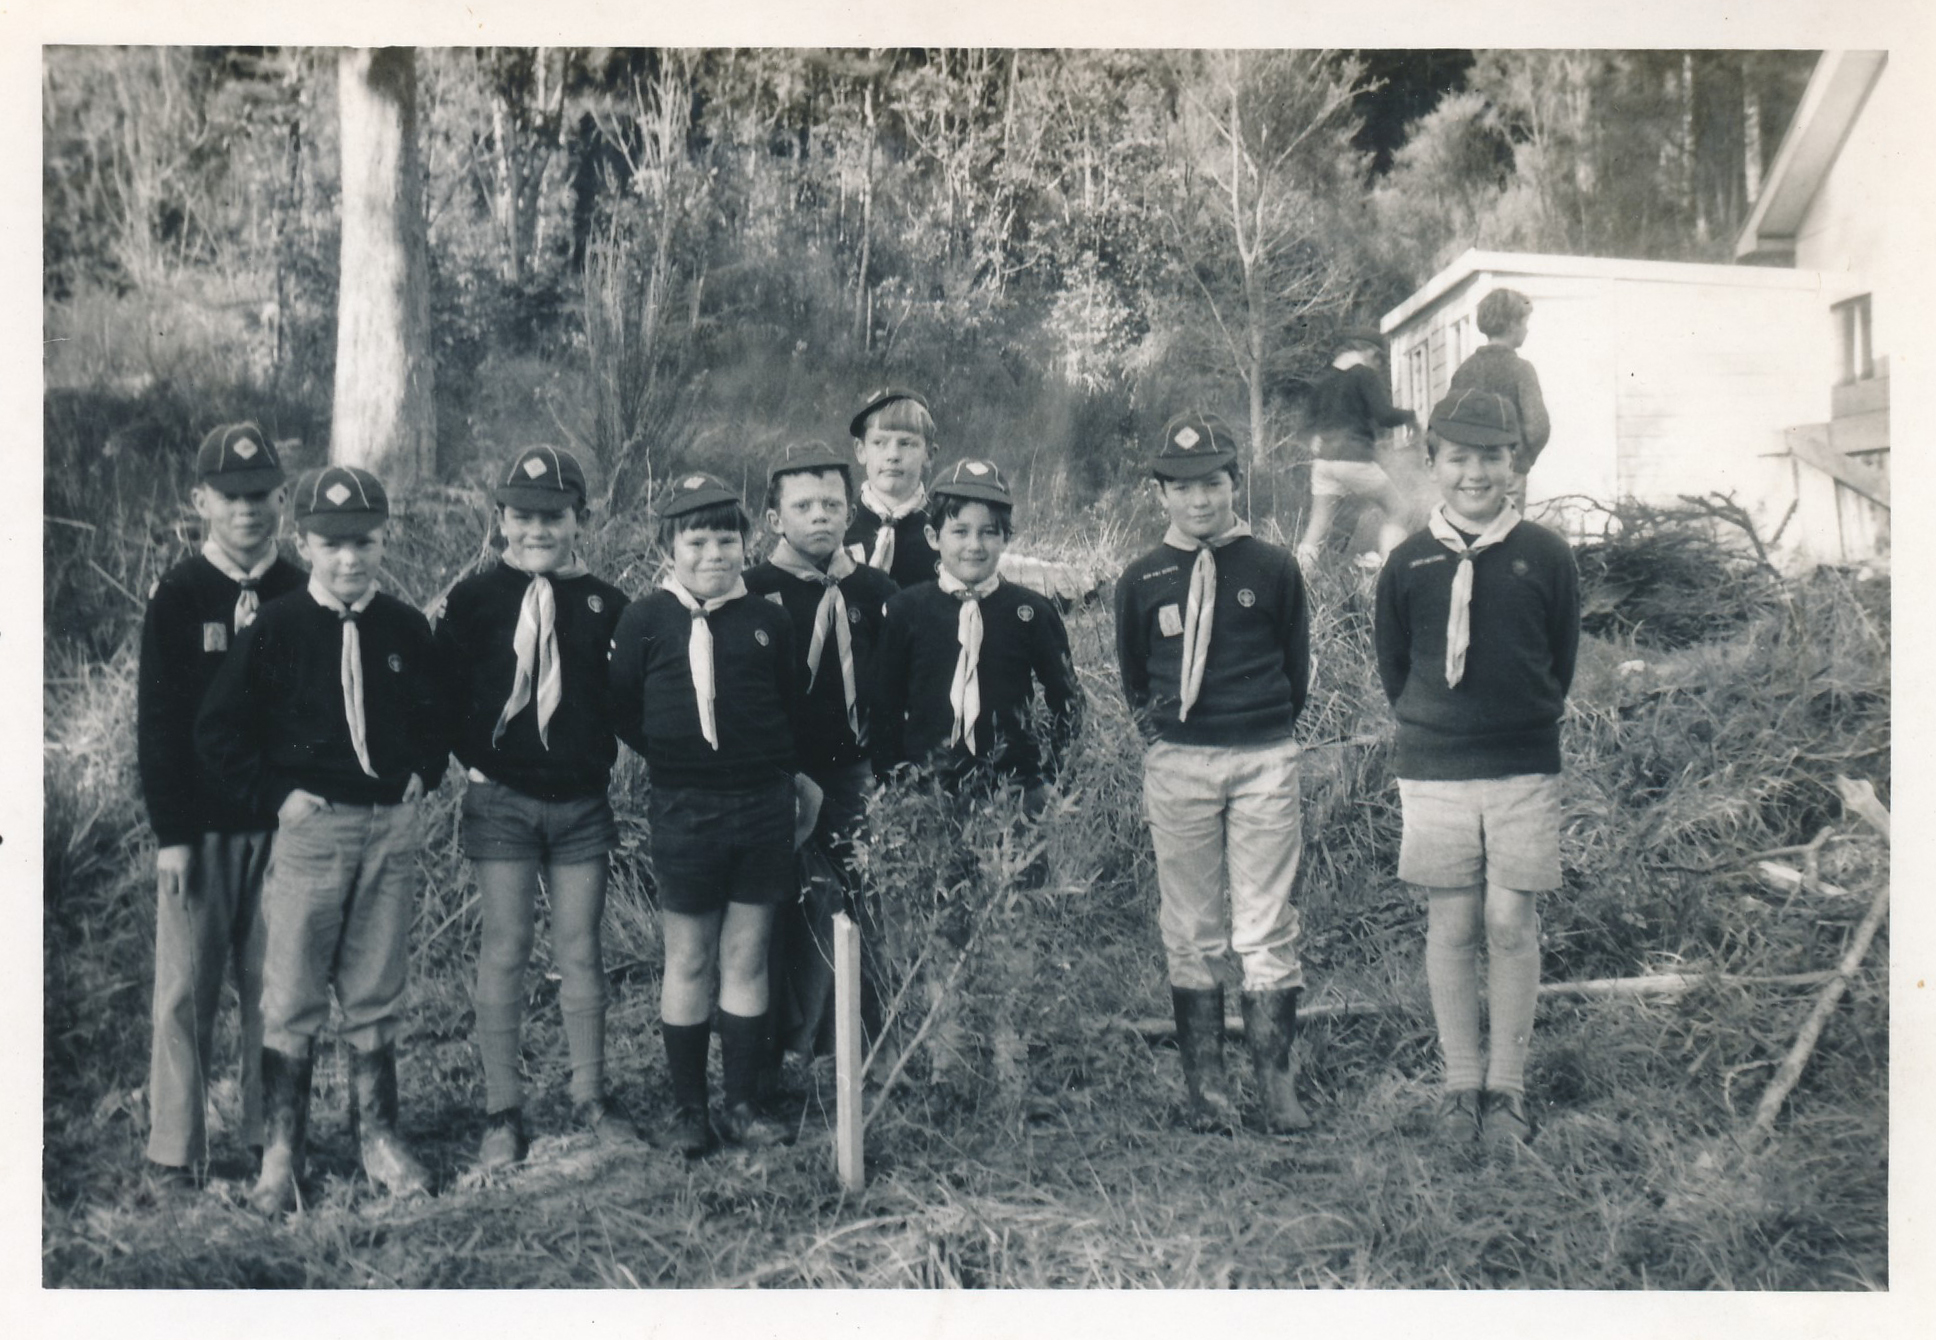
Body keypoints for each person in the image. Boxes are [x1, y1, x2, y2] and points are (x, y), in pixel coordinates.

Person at [197, 465, 453, 1214]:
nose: (350, 560)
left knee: (375, 986)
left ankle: (379, 1136)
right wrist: (277, 798)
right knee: (293, 991)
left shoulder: (405, 627)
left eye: (365, 542)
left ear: (384, 540)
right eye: (332, 545)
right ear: (303, 542)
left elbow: (439, 711)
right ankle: (283, 1152)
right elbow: (219, 730)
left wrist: (423, 774)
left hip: (387, 830)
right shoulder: (275, 627)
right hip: (312, 833)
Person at [1373, 388, 1579, 1147]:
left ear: (1515, 464)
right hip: (1434, 766)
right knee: (1454, 922)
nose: (1475, 473)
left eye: (1492, 457)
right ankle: (1463, 1085)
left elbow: (1560, 657)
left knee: (1509, 920)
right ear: (1433, 464)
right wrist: (1437, 721)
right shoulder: (1409, 563)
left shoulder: (1547, 555)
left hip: (1524, 764)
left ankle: (1508, 1091)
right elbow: (1395, 667)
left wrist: (1522, 716)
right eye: (1458, 458)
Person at [433, 446, 639, 1170]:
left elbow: (629, 705)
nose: (537, 529)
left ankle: (590, 1096)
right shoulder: (474, 599)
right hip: (503, 805)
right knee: (506, 948)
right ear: (501, 520)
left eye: (553, 516)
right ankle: (503, 1110)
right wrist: (476, 765)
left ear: (580, 518)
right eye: (522, 516)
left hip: (580, 806)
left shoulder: (607, 606)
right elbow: (446, 695)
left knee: (581, 949)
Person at [1114, 412, 1314, 1134]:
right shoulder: (1142, 579)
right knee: (1191, 928)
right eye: (1183, 488)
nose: (1200, 501)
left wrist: (1264, 732)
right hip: (1180, 764)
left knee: (1265, 925)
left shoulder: (1272, 567)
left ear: (1235, 484)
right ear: (1161, 494)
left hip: (1262, 758)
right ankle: (1208, 1090)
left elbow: (1297, 666)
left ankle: (1275, 1084)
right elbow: (1134, 676)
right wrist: (1168, 743)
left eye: (1213, 484)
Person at [608, 473, 817, 1157]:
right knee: (689, 956)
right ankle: (687, 1108)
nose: (713, 556)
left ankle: (742, 1103)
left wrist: (777, 777)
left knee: (746, 953)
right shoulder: (645, 620)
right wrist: (684, 761)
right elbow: (628, 712)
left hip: (760, 806)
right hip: (683, 808)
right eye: (696, 542)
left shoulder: (768, 619)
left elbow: (787, 703)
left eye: (727, 540)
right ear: (669, 545)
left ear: (746, 541)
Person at [871, 458, 1083, 1085]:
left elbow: (1066, 698)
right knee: (943, 922)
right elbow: (884, 708)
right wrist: (893, 785)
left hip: (1011, 794)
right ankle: (947, 1057)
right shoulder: (907, 611)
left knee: (1009, 922)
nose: (974, 544)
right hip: (931, 794)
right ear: (934, 537)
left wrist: (1050, 776)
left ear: (1006, 539)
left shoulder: (1030, 612)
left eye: (989, 531)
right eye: (959, 530)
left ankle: (1009, 1054)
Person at [137, 423, 305, 1189]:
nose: (246, 512)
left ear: (282, 498)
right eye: (230, 498)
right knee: (185, 992)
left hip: (279, 825)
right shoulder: (179, 596)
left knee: (274, 990)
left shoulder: (301, 588)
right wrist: (171, 832)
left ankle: (265, 1141)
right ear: (200, 499)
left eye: (260, 496)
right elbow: (160, 726)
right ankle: (177, 1147)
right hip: (199, 829)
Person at [744, 441, 899, 1069]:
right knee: (789, 904)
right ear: (775, 518)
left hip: (855, 772)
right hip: (779, 777)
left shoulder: (876, 590)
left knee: (865, 897)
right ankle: (786, 1043)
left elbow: (894, 684)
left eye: (832, 503)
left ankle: (860, 1039)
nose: (820, 516)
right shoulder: (751, 589)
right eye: (803, 505)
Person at [1296, 329, 1419, 569]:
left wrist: (1313, 438)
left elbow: (1305, 426)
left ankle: (1301, 579)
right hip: (1353, 459)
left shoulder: (1324, 379)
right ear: (1371, 352)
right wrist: (1410, 416)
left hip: (1323, 463)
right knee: (1400, 511)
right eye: (1380, 360)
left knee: (1317, 525)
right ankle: (1388, 570)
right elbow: (1384, 416)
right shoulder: (1364, 375)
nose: (1379, 367)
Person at [1448, 289, 1551, 514]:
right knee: (1508, 534)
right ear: (1512, 325)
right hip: (1508, 469)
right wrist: (1524, 460)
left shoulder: (1464, 371)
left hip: (1472, 473)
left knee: (1477, 530)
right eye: (1525, 322)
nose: (1527, 328)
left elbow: (1449, 424)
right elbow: (1539, 428)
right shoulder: (1521, 370)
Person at [844, 386, 941, 588]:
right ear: (861, 450)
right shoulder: (840, 524)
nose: (893, 455)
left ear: (929, 454)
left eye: (906, 443)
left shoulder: (944, 528)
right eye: (879, 442)